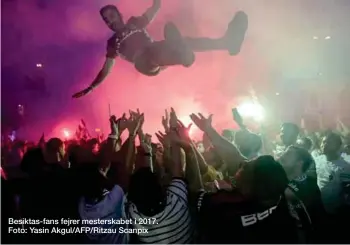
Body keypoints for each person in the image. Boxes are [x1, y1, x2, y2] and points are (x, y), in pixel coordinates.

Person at [72, 1, 248, 98]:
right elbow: (106, 70)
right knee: (150, 53)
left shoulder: (135, 22)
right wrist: (91, 87)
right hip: (145, 64)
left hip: (159, 52)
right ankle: (181, 53)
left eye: (111, 16)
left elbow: (155, 7)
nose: (110, 21)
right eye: (106, 20)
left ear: (119, 15)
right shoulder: (112, 43)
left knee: (174, 34)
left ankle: (227, 43)